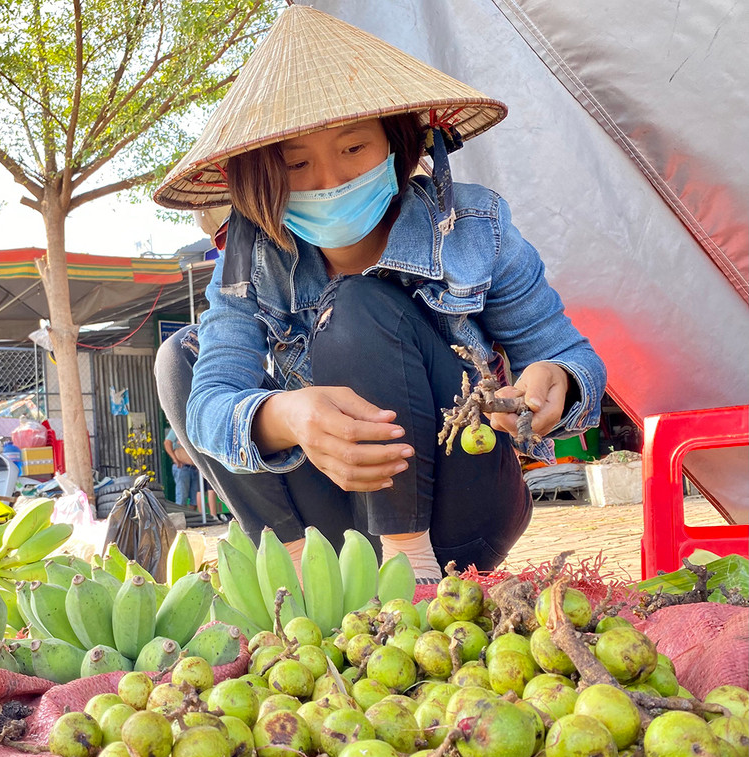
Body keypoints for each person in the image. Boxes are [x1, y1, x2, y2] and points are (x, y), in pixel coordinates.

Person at [153, 6, 606, 580]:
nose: (330, 180)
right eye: (296, 162)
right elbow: (210, 400)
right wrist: (286, 415)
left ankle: (411, 572)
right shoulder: (251, 262)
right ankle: (302, 574)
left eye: (353, 149)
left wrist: (555, 383)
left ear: (396, 144)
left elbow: (570, 354)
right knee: (181, 358)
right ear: (264, 175)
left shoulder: (474, 227)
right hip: (336, 517)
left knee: (360, 303)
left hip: (463, 505)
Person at [163, 425, 199, 508]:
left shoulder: (194, 428)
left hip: (194, 468)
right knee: (182, 497)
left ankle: (192, 520)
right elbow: (167, 442)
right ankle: (182, 519)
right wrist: (175, 459)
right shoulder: (178, 427)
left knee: (195, 500)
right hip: (182, 468)